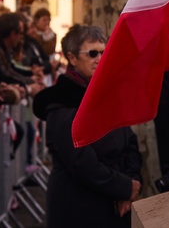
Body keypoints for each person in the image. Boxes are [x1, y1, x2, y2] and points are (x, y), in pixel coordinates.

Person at [32, 25, 142, 227]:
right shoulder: (62, 106)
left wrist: (131, 182)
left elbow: (130, 142)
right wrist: (124, 187)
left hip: (116, 205)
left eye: (103, 52)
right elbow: (81, 163)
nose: (99, 59)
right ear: (72, 58)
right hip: (79, 207)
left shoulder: (109, 95)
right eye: (92, 53)